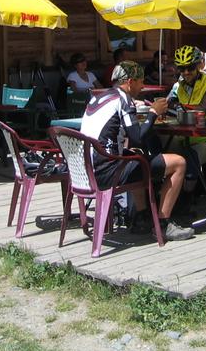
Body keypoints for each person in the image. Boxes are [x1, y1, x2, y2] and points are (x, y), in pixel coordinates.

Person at [80, 61, 194, 241]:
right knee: (179, 163)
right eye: (141, 82)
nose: (142, 86)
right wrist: (153, 113)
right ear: (130, 81)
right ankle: (163, 225)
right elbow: (138, 137)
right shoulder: (123, 100)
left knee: (136, 154)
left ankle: (142, 218)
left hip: (86, 171)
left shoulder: (98, 97)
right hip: (108, 173)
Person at [168, 45, 206, 167]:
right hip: (186, 137)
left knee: (189, 160)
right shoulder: (181, 86)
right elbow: (169, 103)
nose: (186, 72)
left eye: (190, 68)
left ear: (198, 65)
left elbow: (202, 109)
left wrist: (178, 106)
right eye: (182, 69)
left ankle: (188, 184)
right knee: (162, 151)